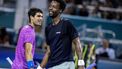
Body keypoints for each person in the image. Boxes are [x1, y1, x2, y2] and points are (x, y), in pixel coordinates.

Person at [37, 0, 85, 69]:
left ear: (60, 10)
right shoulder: (48, 28)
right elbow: (48, 51)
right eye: (50, 6)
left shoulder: (66, 24)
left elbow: (77, 42)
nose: (50, 8)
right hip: (52, 66)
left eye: (54, 7)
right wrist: (40, 68)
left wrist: (81, 63)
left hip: (66, 64)